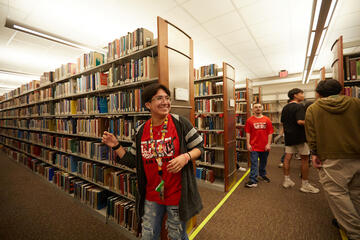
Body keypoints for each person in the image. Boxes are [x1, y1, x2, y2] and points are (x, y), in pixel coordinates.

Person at [102, 83, 203, 240]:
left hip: (177, 194)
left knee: (176, 235)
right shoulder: (141, 130)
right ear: (148, 104)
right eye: (159, 98)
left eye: (167, 98)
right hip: (152, 194)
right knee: (148, 235)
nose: (165, 102)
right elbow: (132, 161)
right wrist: (116, 146)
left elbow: (199, 148)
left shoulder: (180, 123)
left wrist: (186, 157)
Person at [305, 79, 360, 240]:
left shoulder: (313, 109)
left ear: (319, 93)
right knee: (356, 192)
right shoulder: (356, 103)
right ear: (340, 90)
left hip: (332, 156)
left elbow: (311, 134)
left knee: (338, 195)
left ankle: (355, 233)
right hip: (357, 154)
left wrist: (314, 154)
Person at [280, 88, 319, 193]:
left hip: (289, 136)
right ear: (295, 95)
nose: (303, 95)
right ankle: (305, 184)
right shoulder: (299, 106)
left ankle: (286, 180)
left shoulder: (285, 107)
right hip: (300, 137)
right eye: (301, 93)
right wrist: (313, 122)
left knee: (287, 158)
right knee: (305, 160)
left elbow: (283, 122)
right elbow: (300, 121)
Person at [244, 103, 273, 188]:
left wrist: (268, 144)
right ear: (253, 109)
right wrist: (248, 143)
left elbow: (270, 133)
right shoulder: (249, 120)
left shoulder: (267, 120)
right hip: (254, 146)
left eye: (259, 107)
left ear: (262, 109)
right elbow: (248, 133)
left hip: (264, 146)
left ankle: (262, 174)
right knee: (254, 163)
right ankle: (253, 180)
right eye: (256, 107)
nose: (258, 108)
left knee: (263, 162)